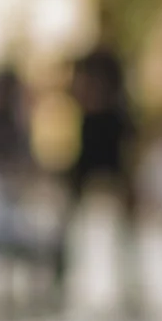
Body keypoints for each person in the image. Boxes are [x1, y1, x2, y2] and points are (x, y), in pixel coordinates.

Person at [57, 41, 140, 303]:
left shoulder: (113, 63)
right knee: (72, 213)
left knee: (124, 219)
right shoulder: (87, 61)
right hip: (91, 141)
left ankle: (129, 281)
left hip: (111, 142)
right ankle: (64, 276)